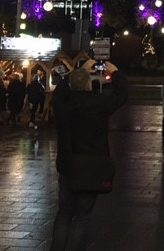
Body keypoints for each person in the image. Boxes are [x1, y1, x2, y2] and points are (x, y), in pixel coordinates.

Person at [50, 59, 128, 251]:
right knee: (82, 217)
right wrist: (116, 72)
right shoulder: (99, 104)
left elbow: (59, 94)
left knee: (64, 213)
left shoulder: (63, 107)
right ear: (88, 85)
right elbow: (121, 95)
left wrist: (78, 71)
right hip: (92, 167)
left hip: (68, 165)